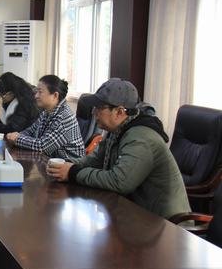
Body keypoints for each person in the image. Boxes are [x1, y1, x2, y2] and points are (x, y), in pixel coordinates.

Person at [46, 78, 191, 219]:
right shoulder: (117, 130)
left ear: (120, 112)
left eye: (99, 108)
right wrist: (65, 166)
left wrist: (73, 172)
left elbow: (119, 181)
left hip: (166, 223)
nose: (94, 113)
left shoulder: (141, 138)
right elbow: (94, 160)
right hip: (136, 214)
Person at [6, 75, 84, 161]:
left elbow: (42, 146)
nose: (36, 96)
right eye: (37, 92)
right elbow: (30, 131)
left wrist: (17, 139)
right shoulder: (46, 112)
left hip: (68, 165)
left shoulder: (64, 118)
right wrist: (16, 136)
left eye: (40, 92)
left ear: (55, 95)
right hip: (50, 161)